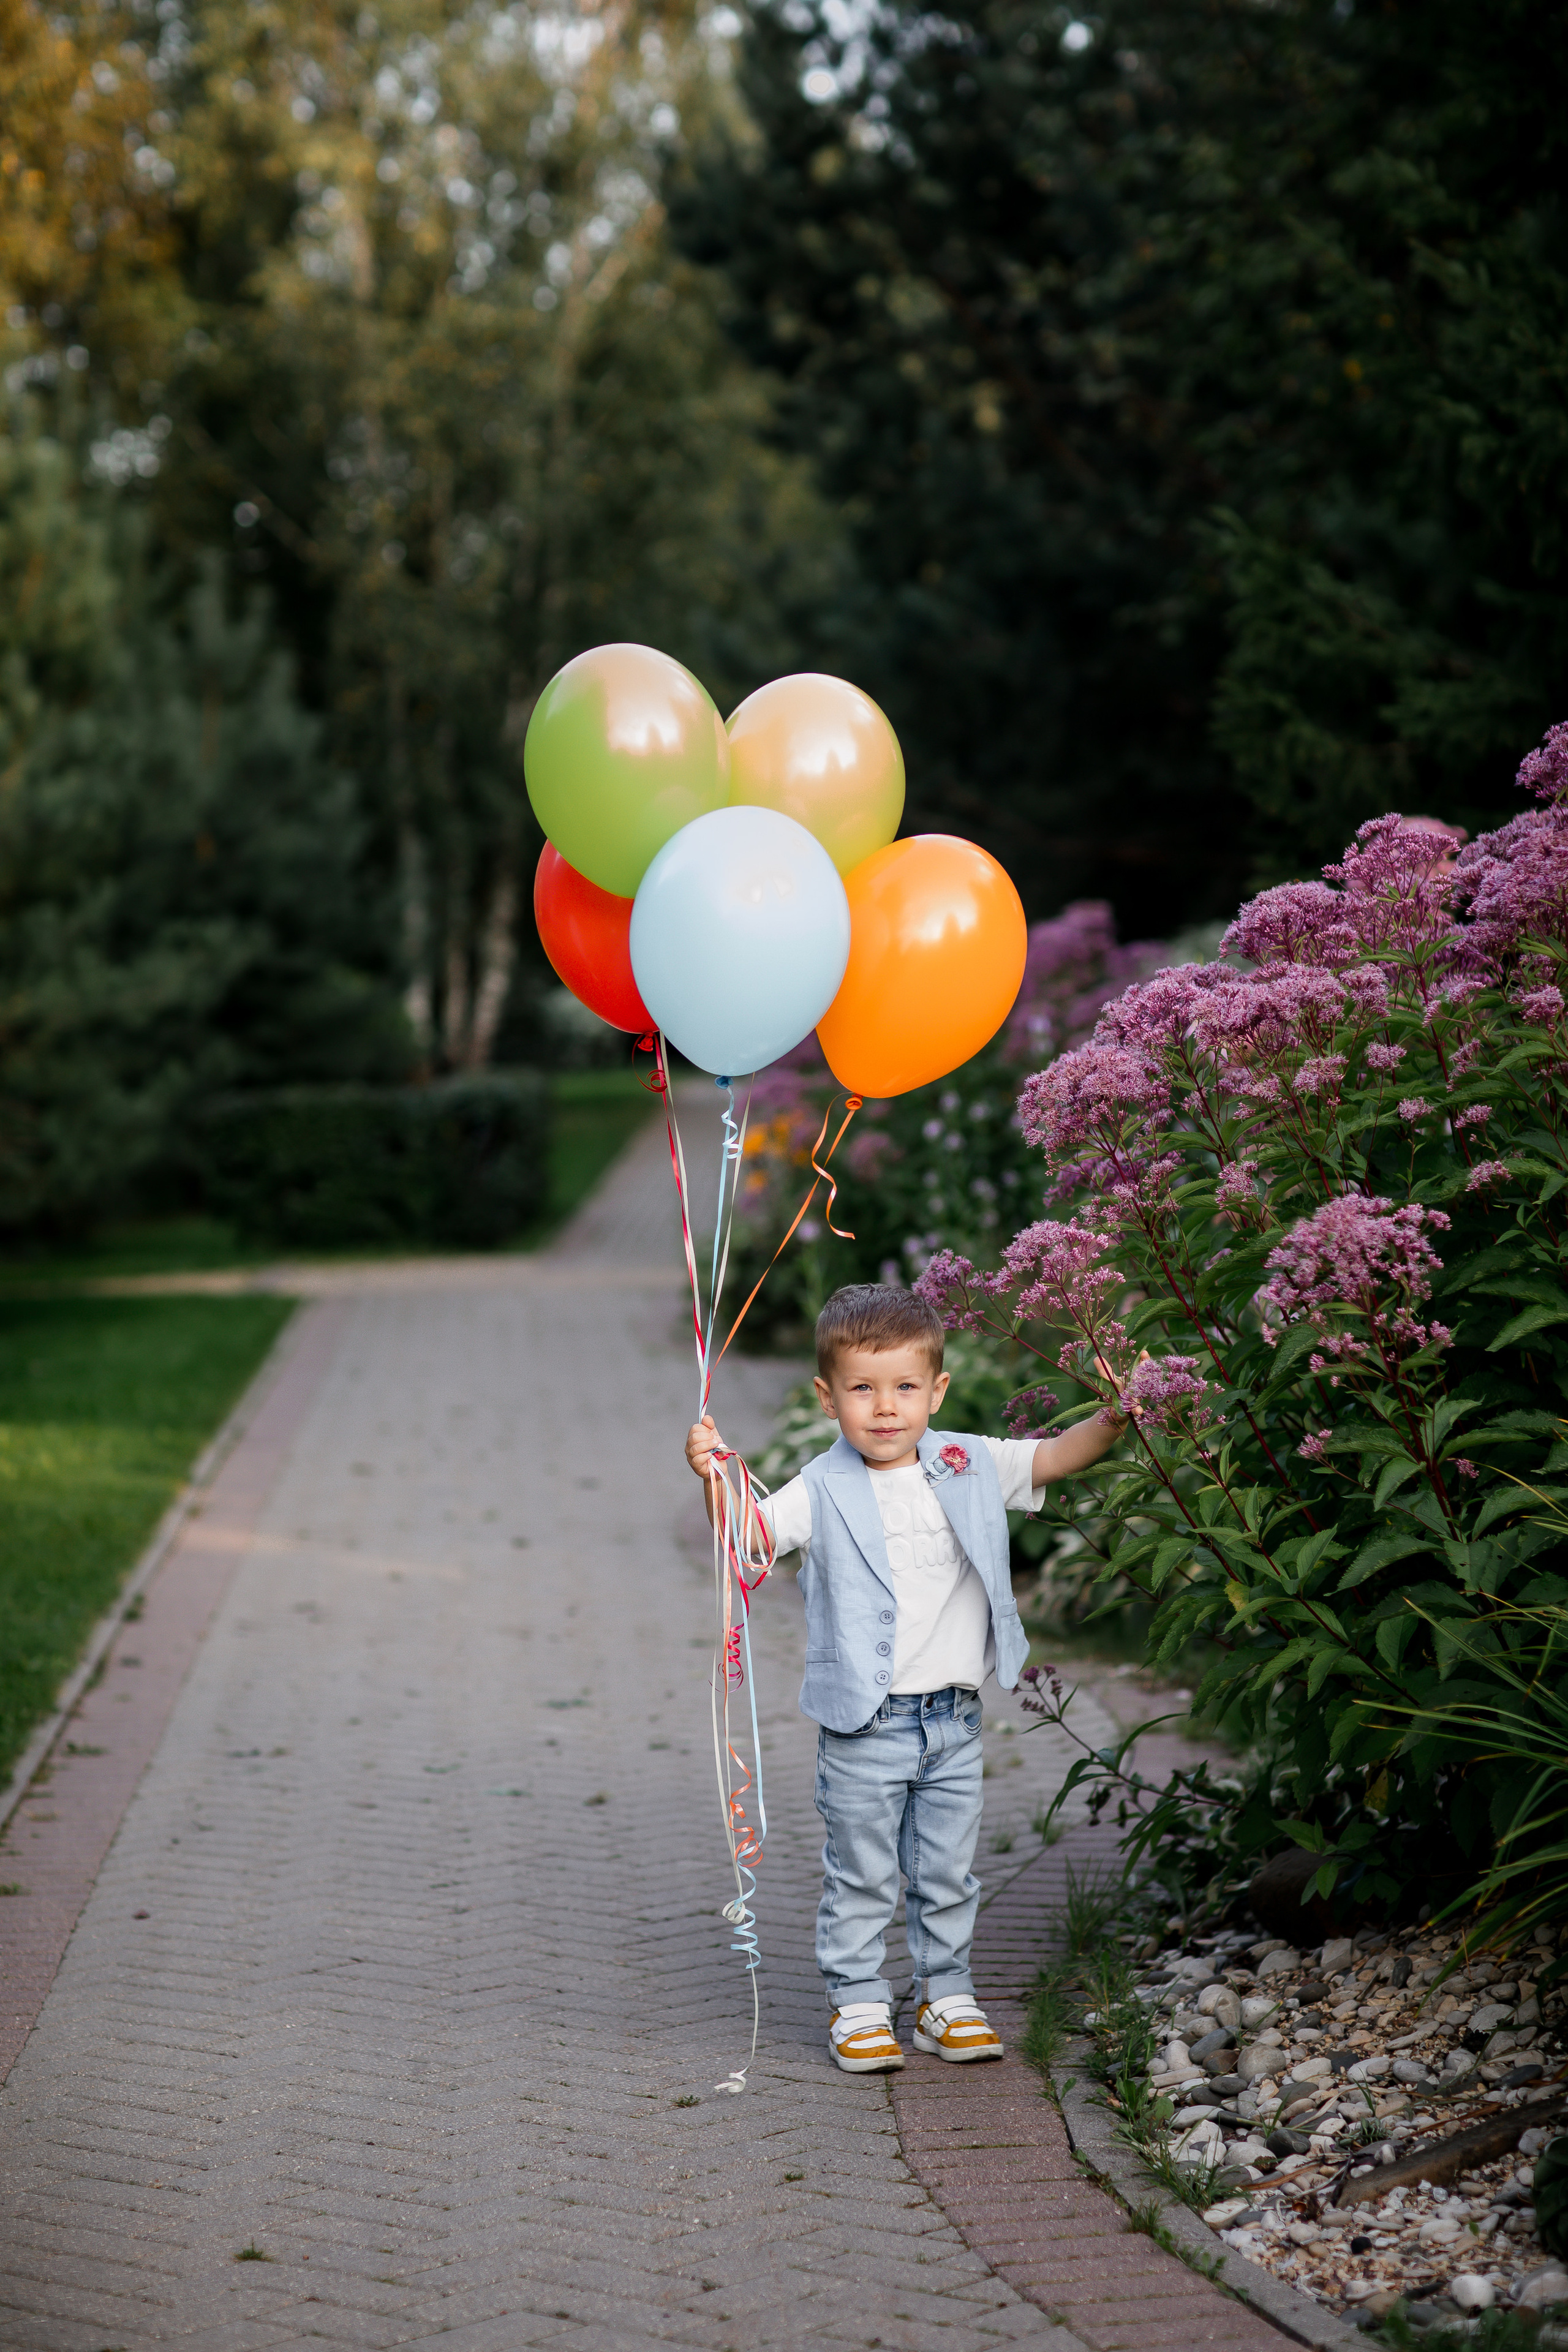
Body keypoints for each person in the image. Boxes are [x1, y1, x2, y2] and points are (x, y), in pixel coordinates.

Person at [685, 1281, 1127, 2075]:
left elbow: (1055, 1457)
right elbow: (752, 1538)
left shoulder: (967, 1461)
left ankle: (944, 1997)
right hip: (865, 1724)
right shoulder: (821, 1487)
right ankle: (858, 2001)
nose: (885, 1407)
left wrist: (1117, 1416)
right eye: (862, 1388)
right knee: (862, 1872)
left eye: (905, 1387)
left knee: (947, 1872)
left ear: (937, 1390)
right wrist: (715, 1479)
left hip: (953, 1720)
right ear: (828, 1397)